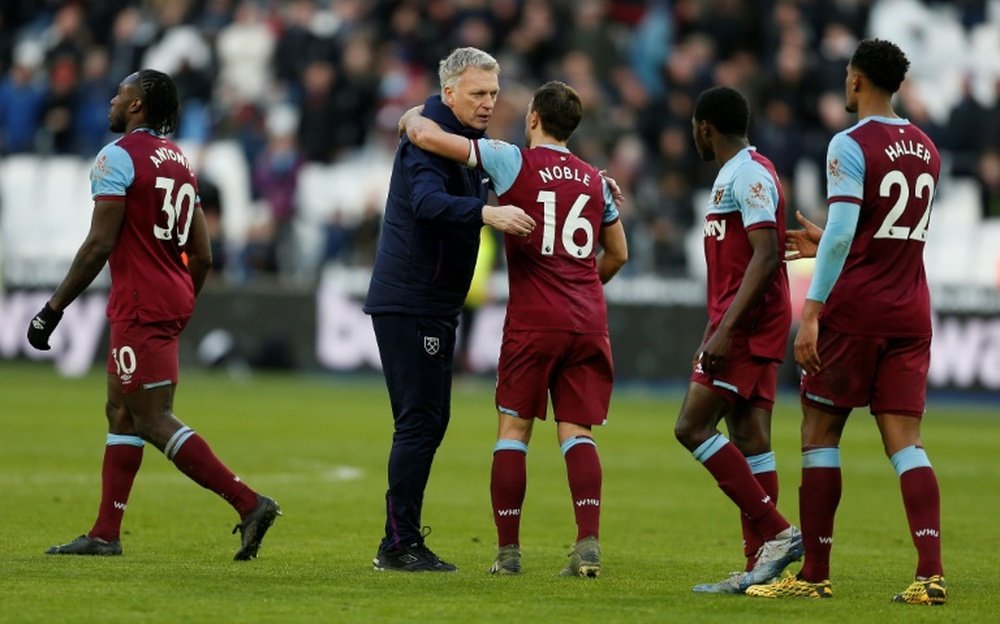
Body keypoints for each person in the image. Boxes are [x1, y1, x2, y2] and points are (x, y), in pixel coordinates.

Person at [26, 69, 280, 560]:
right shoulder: (179, 161)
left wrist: (52, 309)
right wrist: (183, 300)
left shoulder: (116, 158)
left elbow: (100, 242)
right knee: (121, 409)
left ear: (138, 105)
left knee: (152, 418)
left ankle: (248, 502)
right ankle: (104, 533)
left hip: (139, 303)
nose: (112, 102)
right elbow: (202, 254)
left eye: (120, 94)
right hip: (168, 298)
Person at [401, 80, 629, 577]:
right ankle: (587, 544)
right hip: (588, 321)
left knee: (513, 430)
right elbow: (618, 254)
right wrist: (585, 286)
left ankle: (507, 553)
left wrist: (415, 120)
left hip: (534, 321)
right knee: (577, 431)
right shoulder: (596, 180)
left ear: (533, 119)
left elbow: (432, 141)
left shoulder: (512, 160)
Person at [746, 39, 946, 605]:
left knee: (819, 432)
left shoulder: (850, 142)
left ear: (856, 80)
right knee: (907, 444)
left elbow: (842, 230)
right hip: (911, 308)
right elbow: (886, 229)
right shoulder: (926, 146)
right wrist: (835, 242)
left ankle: (814, 574)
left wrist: (810, 312)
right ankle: (930, 573)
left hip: (856, 312)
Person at [363, 47, 535, 572]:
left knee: (428, 421)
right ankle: (397, 544)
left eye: (493, 94)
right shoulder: (430, 142)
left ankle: (403, 538)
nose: (488, 104)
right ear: (450, 93)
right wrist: (489, 213)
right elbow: (426, 203)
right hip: (411, 300)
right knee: (419, 422)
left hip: (432, 301)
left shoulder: (458, 140)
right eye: (478, 94)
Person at [673, 86, 801, 594]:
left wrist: (726, 330)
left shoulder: (747, 174)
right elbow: (731, 269)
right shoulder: (741, 173)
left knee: (691, 427)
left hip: (749, 325)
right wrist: (713, 327)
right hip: (742, 322)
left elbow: (765, 254)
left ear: (705, 127)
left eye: (693, 128)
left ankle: (778, 533)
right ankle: (757, 569)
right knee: (750, 437)